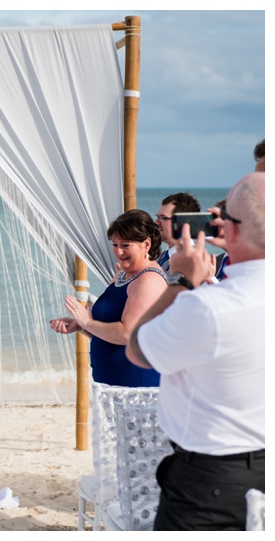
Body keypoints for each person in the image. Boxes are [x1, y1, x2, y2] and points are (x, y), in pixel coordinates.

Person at [126, 172, 264, 530]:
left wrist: (184, 281)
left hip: (213, 481)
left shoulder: (209, 306)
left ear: (228, 230)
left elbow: (139, 348)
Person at [50, 209, 167, 387]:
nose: (119, 252)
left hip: (137, 383)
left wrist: (87, 322)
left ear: (146, 244)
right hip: (111, 382)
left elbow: (128, 334)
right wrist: (80, 326)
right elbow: (107, 331)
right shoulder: (122, 275)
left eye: (126, 245)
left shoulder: (149, 280)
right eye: (115, 244)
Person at [154, 192, 200, 274]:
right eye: (157, 217)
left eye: (163, 218)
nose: (156, 222)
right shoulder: (161, 258)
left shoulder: (193, 261)